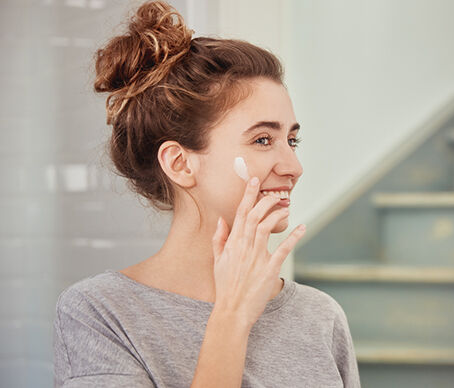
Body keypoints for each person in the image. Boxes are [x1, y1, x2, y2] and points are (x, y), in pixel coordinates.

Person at [52, 1, 361, 387]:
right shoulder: (101, 313)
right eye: (263, 139)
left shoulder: (320, 317)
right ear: (180, 164)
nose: (293, 167)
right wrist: (231, 317)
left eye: (292, 140)